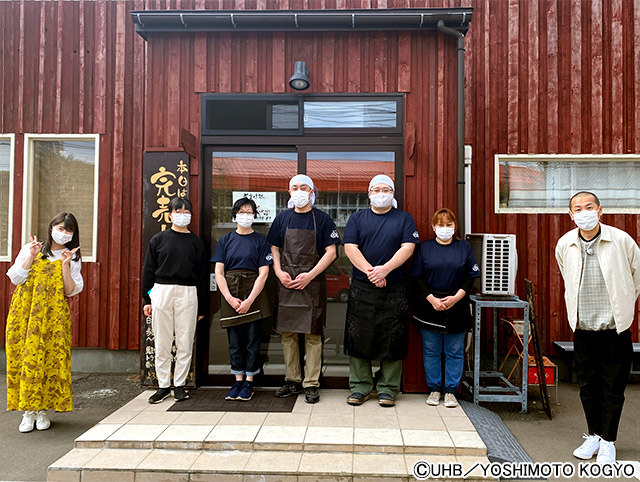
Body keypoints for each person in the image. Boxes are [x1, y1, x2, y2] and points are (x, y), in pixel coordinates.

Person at [555, 191, 640, 464]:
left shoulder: (620, 240)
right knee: (588, 386)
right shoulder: (565, 243)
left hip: (615, 327)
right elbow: (566, 275)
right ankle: (593, 435)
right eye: (577, 209)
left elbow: (636, 275)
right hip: (583, 327)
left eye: (588, 207)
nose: (584, 212)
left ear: (600, 210)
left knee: (613, 387)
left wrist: (624, 302)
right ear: (571, 215)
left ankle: (608, 441)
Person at [343, 174, 419, 407]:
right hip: (362, 287)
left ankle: (388, 388)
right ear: (369, 194)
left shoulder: (404, 219)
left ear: (393, 194)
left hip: (394, 286)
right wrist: (372, 272)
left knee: (393, 338)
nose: (380, 194)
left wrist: (384, 270)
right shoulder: (357, 218)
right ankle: (360, 386)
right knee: (359, 337)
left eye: (385, 190)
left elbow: (408, 247)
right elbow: (350, 248)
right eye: (376, 190)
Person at [6, 212, 83, 433]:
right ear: (51, 228)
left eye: (69, 230)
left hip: (54, 316)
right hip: (25, 313)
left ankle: (42, 410)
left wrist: (66, 265)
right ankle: (27, 411)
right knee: (25, 358)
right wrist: (30, 256)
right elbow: (15, 278)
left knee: (50, 359)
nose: (64, 233)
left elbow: (70, 291)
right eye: (60, 228)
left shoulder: (72, 257)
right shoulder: (32, 249)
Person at [267, 174, 339, 404]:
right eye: (294, 187)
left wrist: (310, 275)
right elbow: (274, 248)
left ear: (312, 191)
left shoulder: (323, 219)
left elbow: (331, 252)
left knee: (313, 334)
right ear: (289, 192)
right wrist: (279, 272)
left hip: (313, 284)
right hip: (286, 283)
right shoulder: (282, 219)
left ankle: (311, 383)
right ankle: (292, 379)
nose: (299, 191)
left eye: (303, 187)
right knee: (288, 334)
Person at [409, 208, 479, 408]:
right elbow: (417, 277)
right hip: (429, 305)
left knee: (455, 351)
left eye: (449, 225)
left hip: (457, 305)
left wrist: (456, 297)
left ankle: (450, 391)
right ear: (433, 227)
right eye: (441, 225)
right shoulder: (424, 248)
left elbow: (470, 276)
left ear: (454, 226)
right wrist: (431, 299)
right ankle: (434, 389)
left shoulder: (464, 247)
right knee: (431, 350)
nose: (445, 229)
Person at [142, 197, 208, 404]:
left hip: (188, 292)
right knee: (161, 340)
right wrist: (147, 298)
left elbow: (203, 275)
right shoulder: (158, 240)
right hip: (161, 290)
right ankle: (162, 385)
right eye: (177, 211)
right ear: (169, 214)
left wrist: (203, 305)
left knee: (185, 341)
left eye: (186, 211)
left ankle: (179, 385)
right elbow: (148, 270)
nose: (182, 215)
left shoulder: (196, 242)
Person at [212, 197, 273, 401]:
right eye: (241, 212)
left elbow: (263, 273)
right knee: (235, 342)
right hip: (230, 291)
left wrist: (249, 300)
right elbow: (219, 273)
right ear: (234, 214)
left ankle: (249, 382)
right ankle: (237, 381)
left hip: (253, 292)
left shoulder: (261, 241)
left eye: (249, 212)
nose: (245, 216)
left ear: (255, 215)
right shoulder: (225, 240)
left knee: (251, 341)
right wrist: (229, 298)